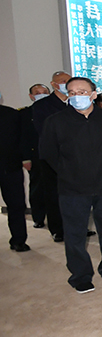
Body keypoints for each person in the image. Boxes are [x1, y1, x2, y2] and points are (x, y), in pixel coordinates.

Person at [39, 77, 102, 293]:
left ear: (93, 94)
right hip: (73, 187)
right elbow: (48, 153)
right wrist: (69, 171)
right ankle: (80, 275)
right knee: (75, 233)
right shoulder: (56, 121)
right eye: (71, 92)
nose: (76, 96)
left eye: (81, 92)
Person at [31, 70, 71, 242]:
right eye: (62, 81)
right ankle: (58, 229)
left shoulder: (76, 102)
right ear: (54, 85)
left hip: (77, 156)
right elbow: (45, 133)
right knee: (54, 194)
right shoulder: (42, 105)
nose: (66, 84)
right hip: (53, 157)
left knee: (76, 194)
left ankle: (77, 226)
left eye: (68, 80)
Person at [0, 99, 29, 252]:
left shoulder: (11, 114)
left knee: (16, 205)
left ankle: (18, 240)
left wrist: (25, 158)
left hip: (10, 167)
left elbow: (22, 138)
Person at [21, 83, 50, 229]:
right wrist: (25, 158)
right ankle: (38, 217)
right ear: (31, 96)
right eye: (38, 93)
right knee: (37, 188)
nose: (41, 95)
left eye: (44, 92)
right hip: (36, 155)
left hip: (56, 156)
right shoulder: (25, 113)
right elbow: (22, 138)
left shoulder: (57, 110)